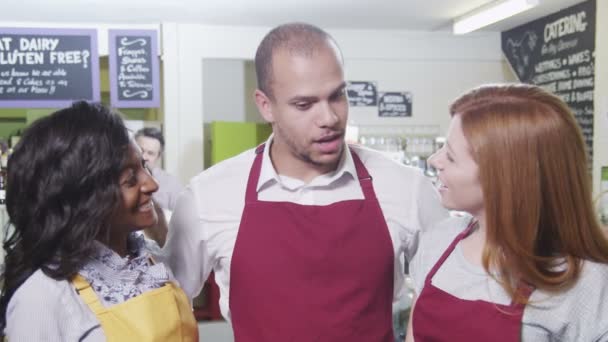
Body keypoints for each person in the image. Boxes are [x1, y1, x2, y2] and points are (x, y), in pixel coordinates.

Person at [160, 22, 448, 341]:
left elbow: (448, 301)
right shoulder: (209, 195)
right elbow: (168, 304)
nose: (329, 118)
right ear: (265, 105)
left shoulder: (407, 188)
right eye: (304, 104)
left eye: (337, 96)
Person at [406, 84, 608, 341]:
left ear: (505, 178)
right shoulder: (438, 243)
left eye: (451, 156)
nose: (435, 160)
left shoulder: (584, 283)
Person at [0, 101, 198, 341]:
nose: (152, 185)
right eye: (130, 180)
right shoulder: (43, 298)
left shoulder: (153, 261)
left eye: (144, 167)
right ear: (84, 198)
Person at [134, 127, 183, 212]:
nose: (144, 157)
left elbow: (180, 219)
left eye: (150, 153)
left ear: (158, 157)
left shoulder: (171, 184)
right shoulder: (117, 179)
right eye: (140, 150)